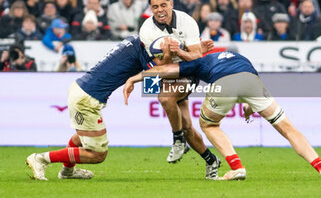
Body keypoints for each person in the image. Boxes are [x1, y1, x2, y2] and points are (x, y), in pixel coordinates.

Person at [123, 48, 321, 181]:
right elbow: (250, 87)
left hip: (224, 84)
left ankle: (236, 167)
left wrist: (134, 78)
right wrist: (249, 107)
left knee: (209, 125)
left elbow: (164, 70)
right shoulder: (239, 57)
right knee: (287, 128)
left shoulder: (201, 62)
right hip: (252, 81)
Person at [25, 35, 217, 181]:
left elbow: (156, 74)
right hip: (86, 98)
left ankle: (67, 171)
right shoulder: (144, 53)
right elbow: (160, 71)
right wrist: (176, 56)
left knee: (81, 137)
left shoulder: (134, 42)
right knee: (98, 154)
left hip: (82, 90)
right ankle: (41, 158)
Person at [139, 0, 221, 176]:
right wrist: (169, 53)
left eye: (163, 5)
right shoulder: (146, 30)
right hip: (166, 71)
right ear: (150, 8)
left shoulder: (187, 21)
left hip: (189, 71)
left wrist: (180, 51)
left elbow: (196, 57)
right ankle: (211, 160)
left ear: (171, 3)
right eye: (154, 7)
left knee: (166, 98)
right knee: (186, 126)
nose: (159, 10)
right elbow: (161, 65)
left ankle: (177, 141)